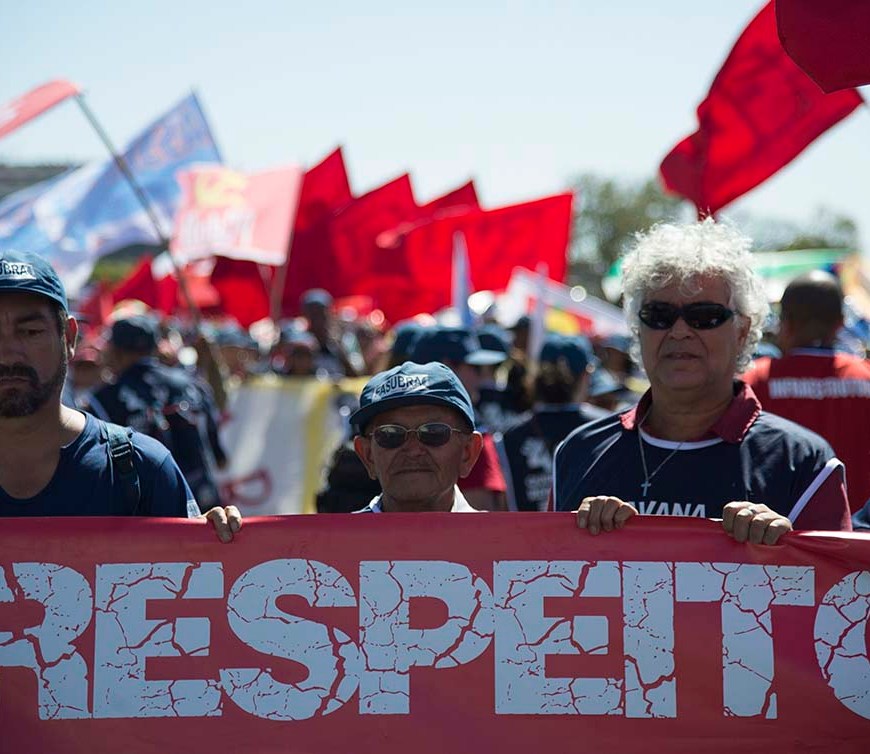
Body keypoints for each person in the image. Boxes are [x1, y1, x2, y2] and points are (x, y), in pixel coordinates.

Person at [552, 220, 852, 544]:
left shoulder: (803, 463)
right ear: (638, 328)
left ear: (742, 330)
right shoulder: (577, 453)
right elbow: (541, 568)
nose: (679, 331)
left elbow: (834, 575)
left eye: (704, 316)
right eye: (659, 315)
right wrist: (580, 539)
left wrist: (787, 551)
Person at [0, 249, 239, 541]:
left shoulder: (143, 469)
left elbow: (190, 570)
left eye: (30, 332)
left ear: (69, 338)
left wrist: (213, 548)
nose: (8, 354)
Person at [743, 270, 870, 513]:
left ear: (786, 323)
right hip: (857, 531)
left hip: (776, 529)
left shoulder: (755, 380)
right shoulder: (866, 376)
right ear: (840, 324)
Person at [88, 313, 226, 512]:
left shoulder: (103, 399)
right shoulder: (193, 385)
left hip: (145, 515)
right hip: (204, 508)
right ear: (154, 347)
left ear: (117, 351)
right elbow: (220, 459)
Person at [350, 360, 484, 513]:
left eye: (433, 432)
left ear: (468, 452)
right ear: (367, 455)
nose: (413, 450)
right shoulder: (337, 530)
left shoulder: (501, 529)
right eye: (391, 434)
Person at [498, 334, 607, 511]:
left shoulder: (507, 436)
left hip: (525, 529)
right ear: (585, 376)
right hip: (586, 529)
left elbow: (499, 505)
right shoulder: (606, 430)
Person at [411, 326, 508, 510]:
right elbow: (479, 519)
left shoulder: (389, 436)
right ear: (448, 369)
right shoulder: (468, 439)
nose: (482, 377)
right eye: (476, 368)